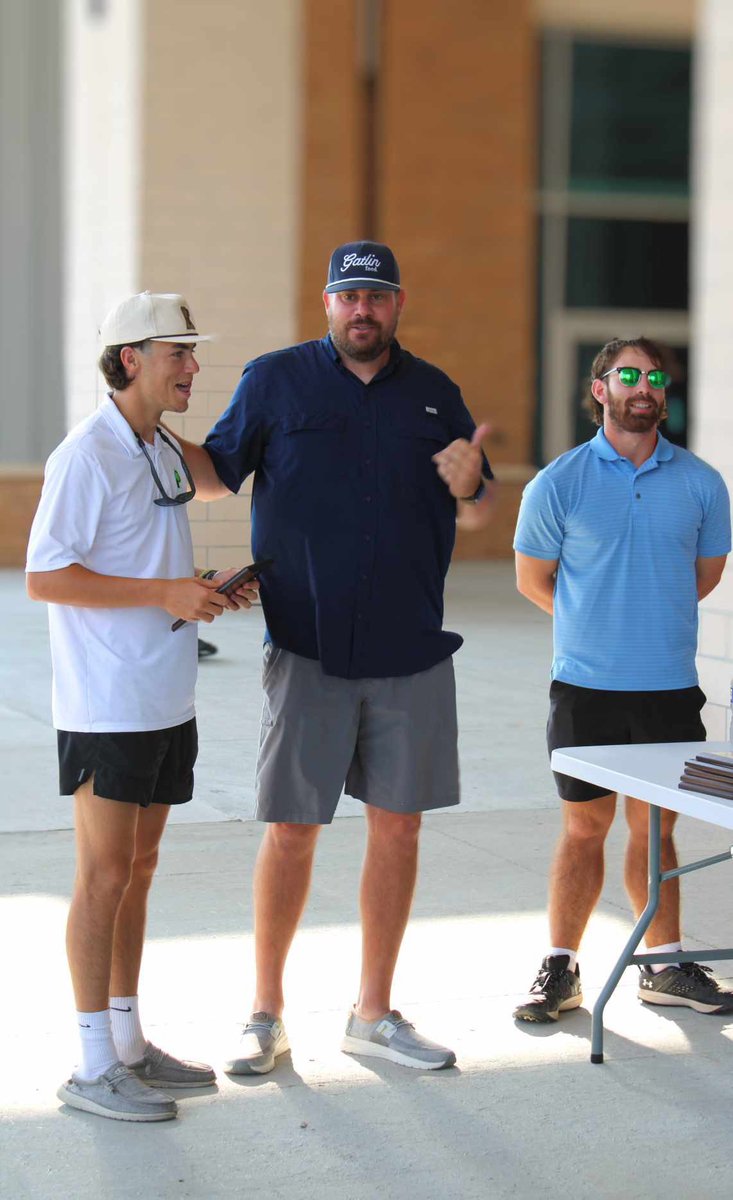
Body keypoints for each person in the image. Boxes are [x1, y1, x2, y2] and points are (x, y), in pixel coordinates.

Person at [174, 240, 494, 1072]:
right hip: (307, 644)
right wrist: (143, 428)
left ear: (397, 304)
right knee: (291, 830)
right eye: (350, 296)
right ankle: (265, 1015)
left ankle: (373, 1012)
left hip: (410, 648)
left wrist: (473, 486)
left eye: (378, 296)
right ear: (327, 303)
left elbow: (478, 500)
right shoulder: (274, 380)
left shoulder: (433, 394)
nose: (364, 309)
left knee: (398, 831)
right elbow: (215, 475)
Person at [26, 292, 259, 1121]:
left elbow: (211, 492)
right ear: (129, 358)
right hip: (107, 702)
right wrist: (164, 589)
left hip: (166, 696)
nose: (193, 367)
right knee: (102, 878)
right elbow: (46, 577)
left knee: (141, 873)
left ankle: (128, 1043)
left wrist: (199, 594)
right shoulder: (83, 455)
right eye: (178, 353)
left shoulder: (158, 444)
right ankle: (92, 1069)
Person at [512, 335, 733, 1023]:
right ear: (599, 388)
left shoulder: (700, 482)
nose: (645, 386)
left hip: (667, 690)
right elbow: (531, 580)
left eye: (655, 375)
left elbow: (702, 576)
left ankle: (662, 967)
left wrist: (641, 618)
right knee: (584, 828)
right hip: (585, 689)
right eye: (628, 374)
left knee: (656, 832)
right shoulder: (559, 481)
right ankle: (560, 967)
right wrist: (597, 622)